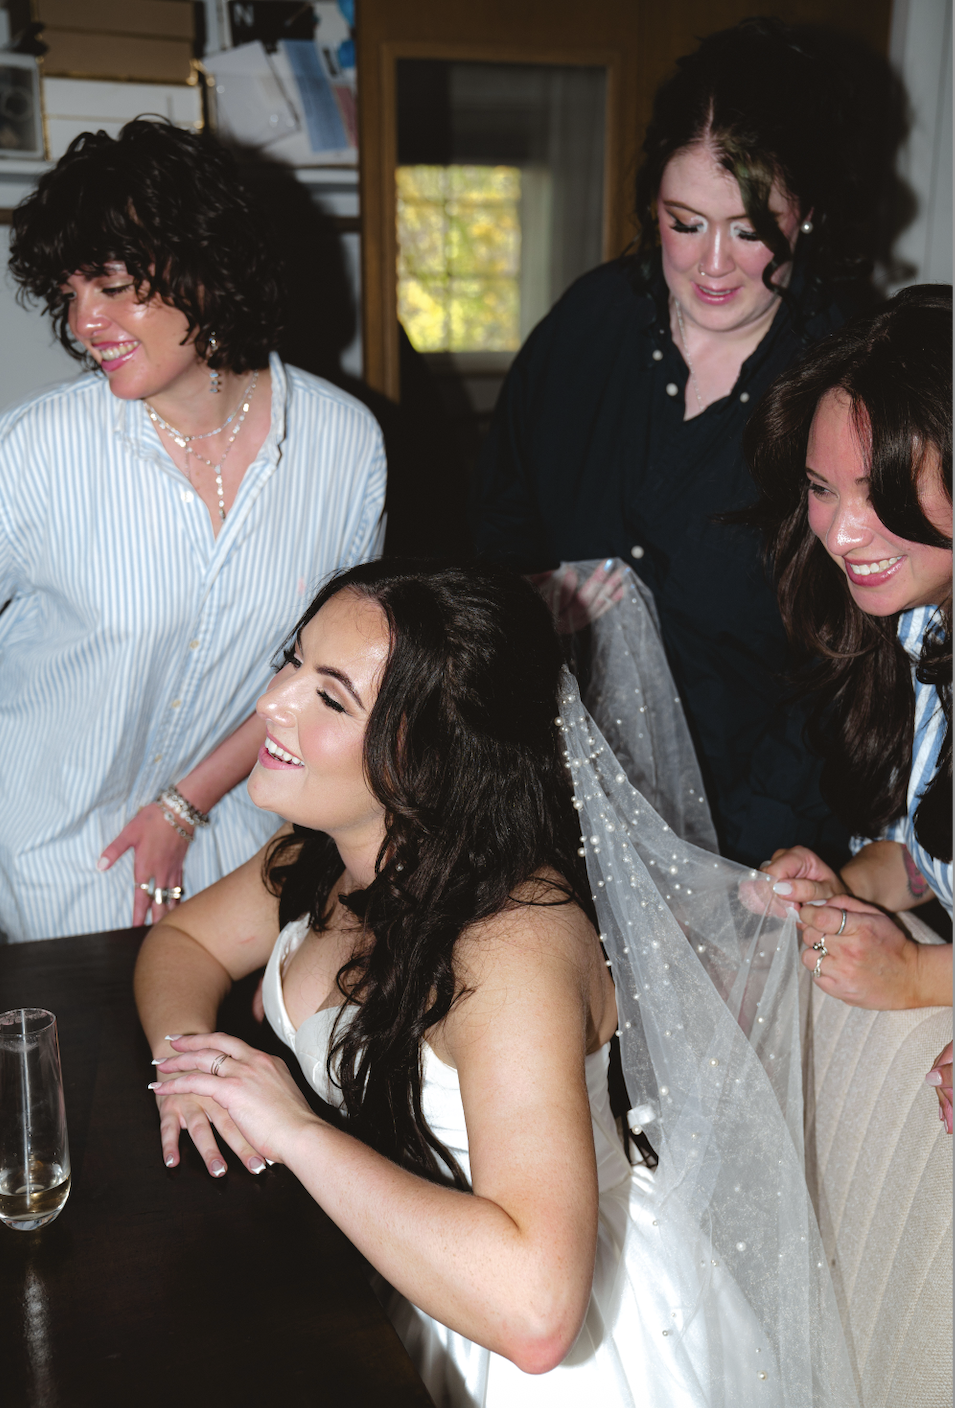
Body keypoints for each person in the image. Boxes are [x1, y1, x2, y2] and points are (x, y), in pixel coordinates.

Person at [134, 560, 857, 1408]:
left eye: (328, 698)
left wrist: (293, 1131)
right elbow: (181, 941)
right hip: (383, 1278)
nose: (270, 704)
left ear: (431, 756)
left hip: (554, 1360)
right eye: (290, 664)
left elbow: (536, 1314)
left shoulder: (509, 947)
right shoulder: (329, 851)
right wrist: (190, 1070)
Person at [470, 17, 901, 868]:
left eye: (749, 231)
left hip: (748, 833)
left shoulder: (849, 385)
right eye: (683, 221)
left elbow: (848, 666)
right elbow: (499, 523)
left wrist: (737, 851)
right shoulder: (587, 327)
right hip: (554, 804)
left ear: (806, 214)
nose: (711, 265)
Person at [0, 118, 386, 941]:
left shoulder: (343, 446)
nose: (84, 322)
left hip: (248, 850)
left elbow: (329, 675)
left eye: (110, 285)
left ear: (203, 262)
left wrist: (187, 803)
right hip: (52, 863)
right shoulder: (35, 452)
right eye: (69, 294)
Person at [743, 286, 952, 1120]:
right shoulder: (922, 624)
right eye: (820, 488)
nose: (838, 533)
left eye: (878, 493)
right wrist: (846, 886)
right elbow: (928, 851)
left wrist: (912, 976)